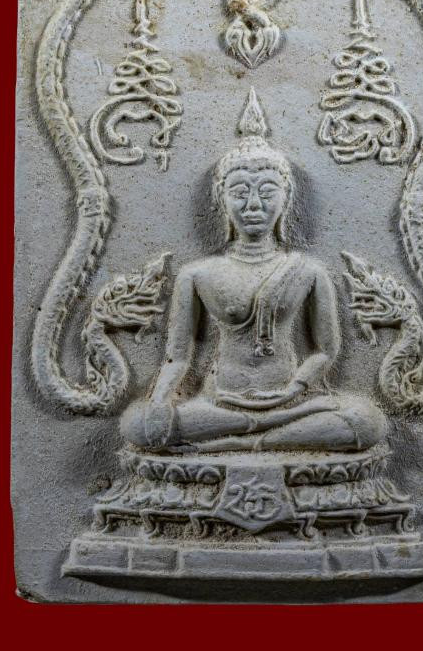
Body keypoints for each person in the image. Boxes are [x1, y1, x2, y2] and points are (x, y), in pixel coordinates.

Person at [121, 89, 386, 452]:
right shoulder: (198, 275)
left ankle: (248, 440)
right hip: (220, 403)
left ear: (286, 198)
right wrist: (159, 402)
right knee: (136, 424)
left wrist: (294, 390)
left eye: (267, 191)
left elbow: (325, 350)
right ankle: (259, 435)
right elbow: (178, 357)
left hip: (291, 402)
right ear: (222, 199)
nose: (254, 204)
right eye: (240, 192)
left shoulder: (307, 271)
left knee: (367, 420)